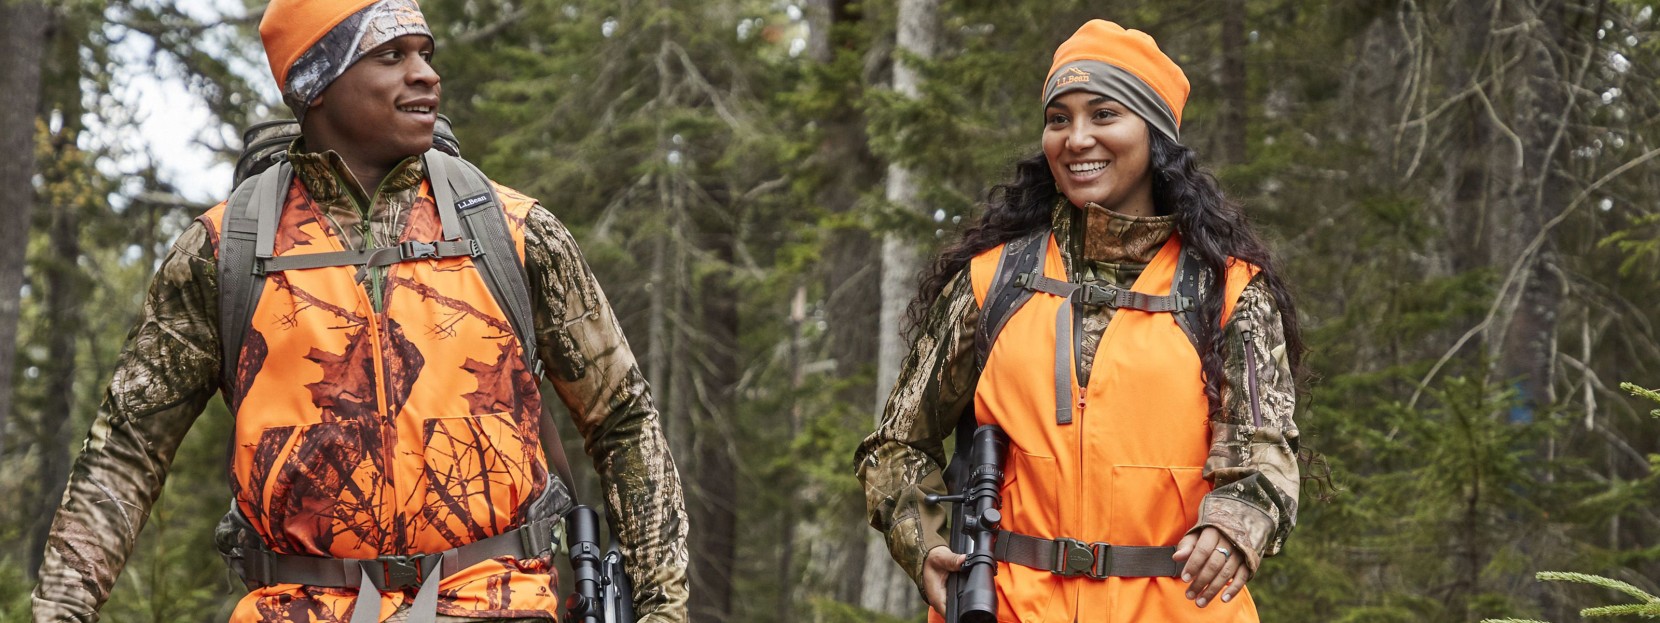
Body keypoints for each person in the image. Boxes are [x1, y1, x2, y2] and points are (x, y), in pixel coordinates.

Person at [31, 1, 689, 622]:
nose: (425, 74)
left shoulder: (516, 233)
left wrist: (661, 606)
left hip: (497, 603)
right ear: (316, 81)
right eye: (391, 55)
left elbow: (623, 419)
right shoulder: (222, 252)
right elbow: (125, 449)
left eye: (425, 52)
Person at [856, 19, 1304, 622]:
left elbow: (1266, 458)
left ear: (1155, 134)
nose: (1077, 138)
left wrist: (1234, 528)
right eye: (1059, 118)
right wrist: (925, 541)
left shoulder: (1226, 291)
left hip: (1177, 608)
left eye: (1104, 115)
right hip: (1010, 607)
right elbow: (895, 444)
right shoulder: (994, 281)